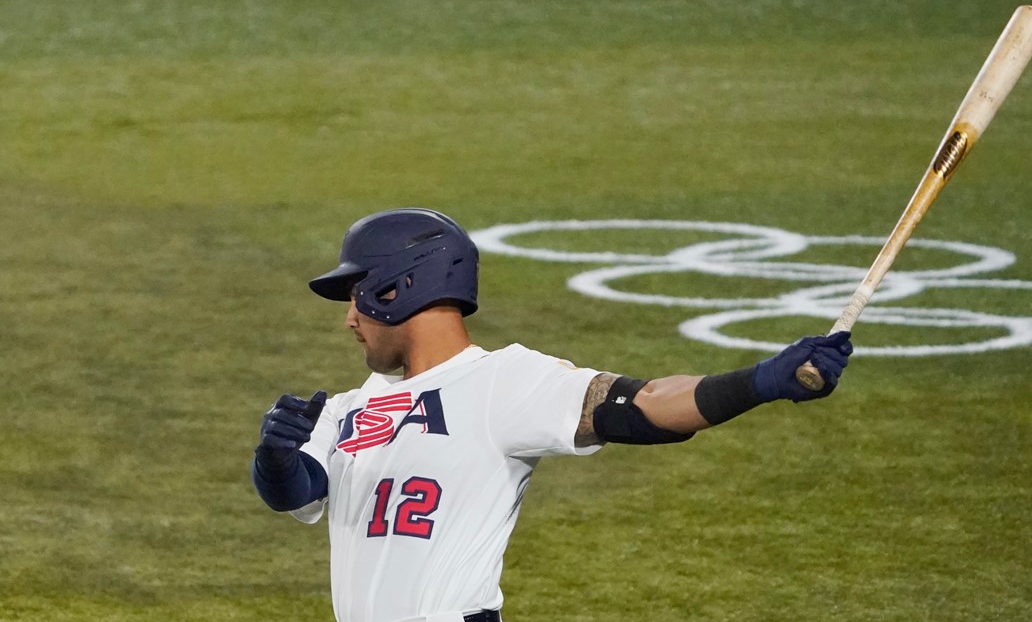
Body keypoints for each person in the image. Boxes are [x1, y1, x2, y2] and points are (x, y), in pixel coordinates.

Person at [251, 208, 853, 622]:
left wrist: (761, 381)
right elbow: (296, 493)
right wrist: (274, 457)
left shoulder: (502, 383)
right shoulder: (346, 408)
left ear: (397, 288)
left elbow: (643, 407)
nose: (349, 318)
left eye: (356, 295)